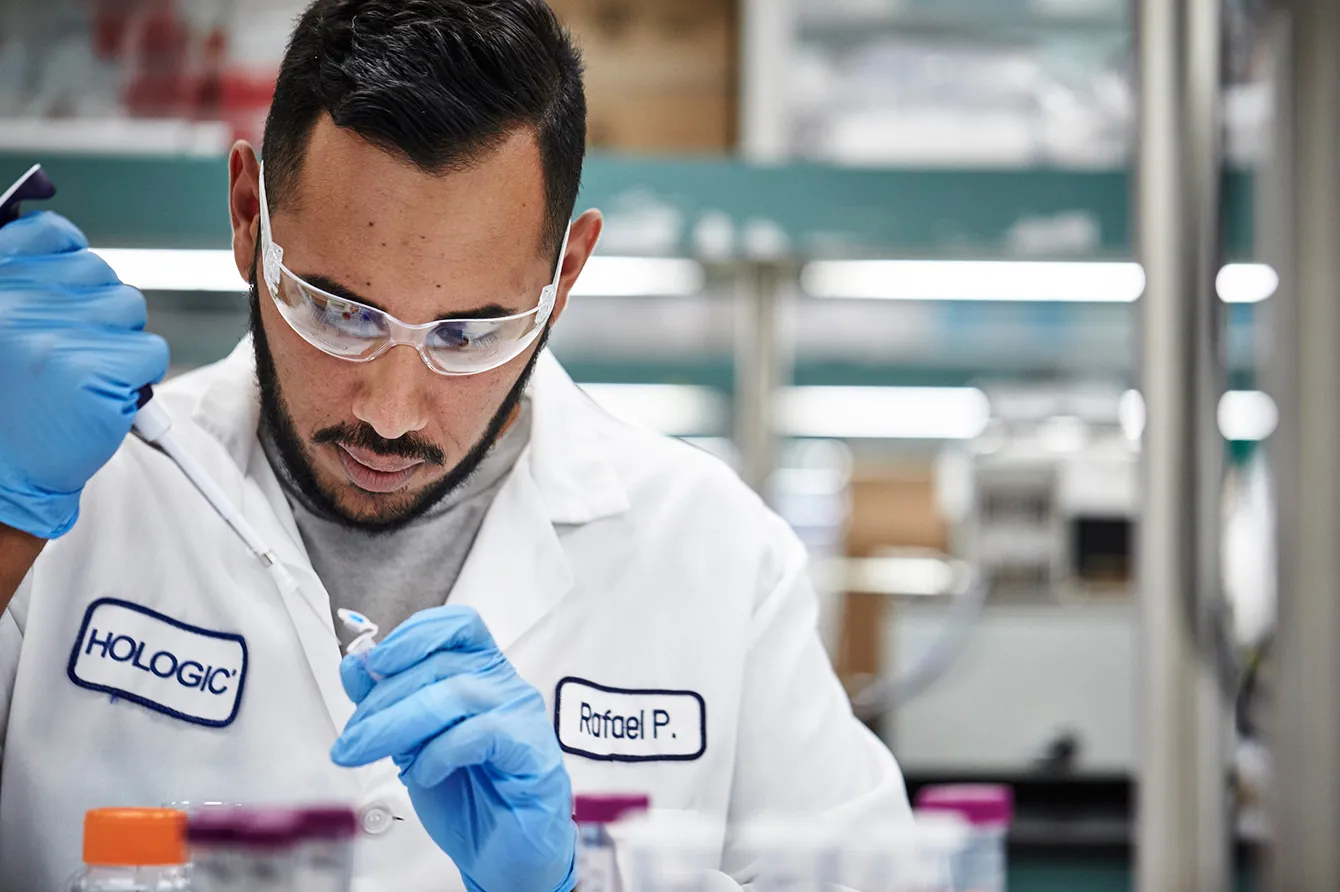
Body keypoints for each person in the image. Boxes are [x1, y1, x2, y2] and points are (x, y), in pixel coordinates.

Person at [0, 1, 914, 889]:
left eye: (468, 333)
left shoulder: (714, 555)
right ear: (249, 216)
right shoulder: (70, 494)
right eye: (338, 311)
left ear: (565, 277)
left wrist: (576, 886)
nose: (393, 412)